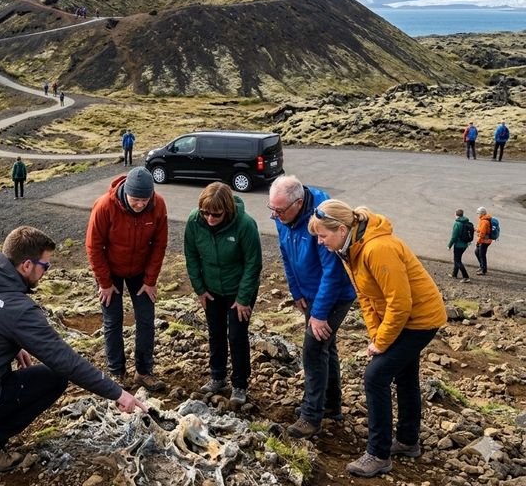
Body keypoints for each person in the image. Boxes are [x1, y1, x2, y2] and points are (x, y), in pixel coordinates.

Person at [0, 226, 147, 472]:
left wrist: (12, 346)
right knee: (55, 378)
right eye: (45, 266)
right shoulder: (16, 308)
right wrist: (118, 394)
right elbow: (64, 360)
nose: (46, 273)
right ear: (27, 265)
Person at [308, 200, 446, 478]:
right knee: (405, 376)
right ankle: (407, 442)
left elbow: (400, 303)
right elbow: (366, 297)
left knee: (375, 377)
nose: (320, 242)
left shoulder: (377, 248)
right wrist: (376, 334)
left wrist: (382, 343)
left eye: (323, 236)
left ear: (342, 228)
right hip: (402, 320)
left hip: (420, 319)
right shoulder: (349, 249)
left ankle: (378, 454)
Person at [268, 175, 356, 439]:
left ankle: (311, 417)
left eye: (280, 211)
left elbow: (334, 271)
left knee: (314, 349)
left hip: (333, 294)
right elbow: (285, 253)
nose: (275, 215)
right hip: (308, 292)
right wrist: (296, 291)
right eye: (272, 209)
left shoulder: (322, 215)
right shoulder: (283, 215)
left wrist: (318, 314)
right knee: (326, 348)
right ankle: (330, 406)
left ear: (298, 203)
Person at [86, 167, 168, 391]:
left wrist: (150, 280)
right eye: (135, 199)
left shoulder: (158, 205)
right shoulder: (105, 206)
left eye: (144, 199)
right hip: (110, 271)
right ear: (125, 193)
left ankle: (144, 372)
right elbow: (94, 246)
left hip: (141, 271)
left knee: (146, 320)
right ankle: (116, 372)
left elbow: (159, 245)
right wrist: (104, 282)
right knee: (113, 321)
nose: (140, 204)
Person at [184, 182, 261, 407]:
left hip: (239, 289)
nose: (209, 218)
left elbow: (253, 264)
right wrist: (199, 289)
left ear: (227, 210)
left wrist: (244, 298)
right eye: (205, 212)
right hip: (211, 290)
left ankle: (239, 384)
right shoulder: (194, 221)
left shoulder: (245, 225)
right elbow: (191, 255)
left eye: (215, 214)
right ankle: (217, 377)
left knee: (237, 335)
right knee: (215, 332)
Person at [447, 209, 472, 282]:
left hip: (458, 245)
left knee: (457, 261)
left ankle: (466, 277)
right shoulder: (466, 222)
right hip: (465, 244)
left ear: (456, 215)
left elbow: (454, 237)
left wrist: (449, 245)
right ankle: (454, 274)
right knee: (457, 259)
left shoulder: (457, 223)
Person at [474, 206, 493, 275]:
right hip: (486, 240)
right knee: (477, 252)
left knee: (482, 254)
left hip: (484, 241)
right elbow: (481, 229)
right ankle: (482, 266)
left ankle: (483, 270)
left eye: (478, 213)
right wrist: (476, 230)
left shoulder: (484, 221)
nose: (478, 214)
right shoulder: (483, 219)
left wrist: (478, 242)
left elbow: (482, 233)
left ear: (482, 213)